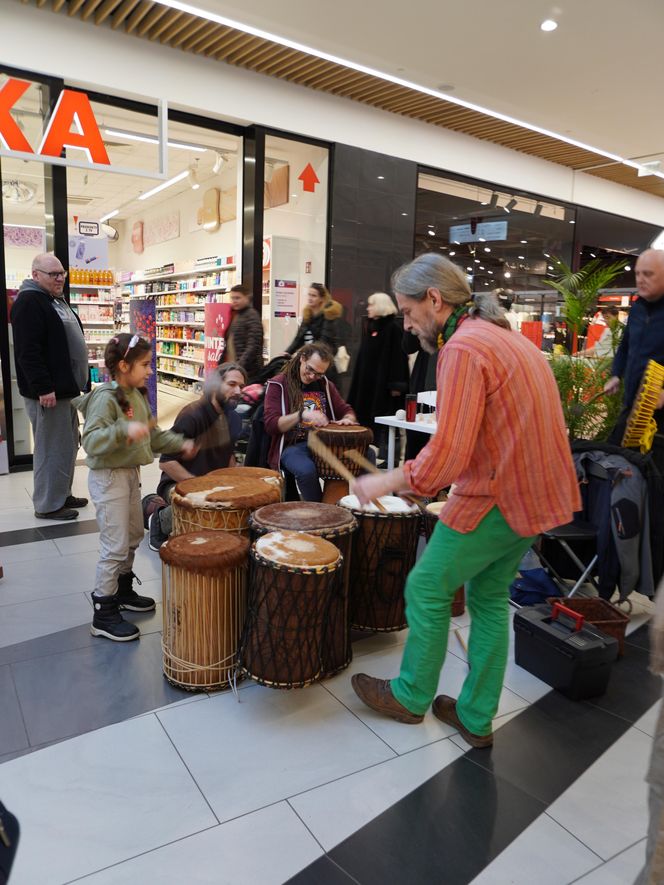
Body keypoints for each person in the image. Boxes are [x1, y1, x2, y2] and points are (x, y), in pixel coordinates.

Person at [349, 253, 580, 747]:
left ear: (435, 299)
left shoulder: (463, 349)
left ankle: (411, 696)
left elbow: (449, 458)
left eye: (409, 313)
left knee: (426, 588)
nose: (408, 327)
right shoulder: (504, 337)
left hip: (500, 496)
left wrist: (386, 481)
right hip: (536, 494)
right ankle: (476, 717)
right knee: (490, 599)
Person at [74, 333, 196, 642]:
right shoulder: (107, 397)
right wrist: (122, 429)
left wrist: (181, 443)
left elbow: (152, 437)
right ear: (124, 366)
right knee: (114, 545)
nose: (150, 370)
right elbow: (90, 441)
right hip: (109, 477)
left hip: (129, 474)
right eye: (145, 364)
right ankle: (102, 612)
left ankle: (123, 591)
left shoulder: (137, 395)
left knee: (132, 536)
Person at [11, 253, 90, 520]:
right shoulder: (29, 302)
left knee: (68, 445)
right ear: (36, 275)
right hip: (49, 393)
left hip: (66, 389)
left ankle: (62, 494)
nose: (59, 278)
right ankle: (47, 504)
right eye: (53, 274)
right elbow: (27, 352)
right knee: (51, 448)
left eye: (62, 273)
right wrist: (43, 387)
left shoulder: (54, 299)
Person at [146, 362, 246, 550]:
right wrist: (197, 485)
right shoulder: (192, 414)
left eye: (241, 386)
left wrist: (237, 482)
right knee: (202, 503)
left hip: (211, 484)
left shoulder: (234, 419)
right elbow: (167, 463)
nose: (238, 390)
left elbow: (228, 455)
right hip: (178, 483)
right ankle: (160, 519)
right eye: (232, 384)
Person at [263, 341, 358, 501]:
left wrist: (348, 419)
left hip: (324, 442)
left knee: (366, 454)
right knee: (306, 470)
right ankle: (318, 511)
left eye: (319, 373)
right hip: (293, 445)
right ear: (302, 358)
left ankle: (364, 511)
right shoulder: (278, 384)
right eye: (310, 369)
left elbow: (345, 409)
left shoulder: (324, 384)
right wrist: (301, 415)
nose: (313, 376)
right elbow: (271, 425)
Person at [605, 249, 664, 444]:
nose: (640, 279)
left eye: (648, 274)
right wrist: (616, 374)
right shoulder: (637, 307)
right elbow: (625, 346)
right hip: (632, 405)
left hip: (659, 414)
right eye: (638, 273)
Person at [348, 292, 409, 461]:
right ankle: (376, 452)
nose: (368, 308)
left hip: (384, 387)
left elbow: (398, 357)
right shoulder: (373, 327)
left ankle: (390, 456)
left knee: (386, 420)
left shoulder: (392, 329)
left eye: (371, 304)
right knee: (371, 417)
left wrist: (396, 385)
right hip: (369, 384)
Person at [283, 283, 343, 357]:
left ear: (322, 298)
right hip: (311, 354)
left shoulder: (328, 314)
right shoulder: (308, 313)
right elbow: (299, 338)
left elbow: (324, 340)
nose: (310, 298)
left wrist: (304, 352)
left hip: (325, 356)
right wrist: (287, 352)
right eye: (309, 295)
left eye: (314, 296)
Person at [224, 284, 264, 382]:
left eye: (238, 298)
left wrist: (239, 366)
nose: (234, 301)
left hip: (248, 371)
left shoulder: (252, 315)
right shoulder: (236, 315)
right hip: (235, 368)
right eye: (232, 298)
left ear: (247, 298)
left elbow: (253, 345)